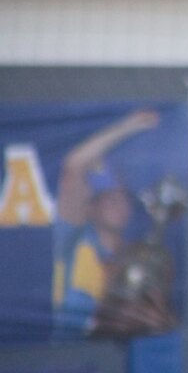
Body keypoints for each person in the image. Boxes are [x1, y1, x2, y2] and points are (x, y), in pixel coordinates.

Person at [53, 109, 173, 336]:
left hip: (117, 358)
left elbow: (158, 318)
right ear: (89, 208)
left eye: (122, 195)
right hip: (67, 357)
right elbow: (73, 166)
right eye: (107, 197)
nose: (117, 203)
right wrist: (129, 126)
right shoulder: (71, 242)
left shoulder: (138, 256)